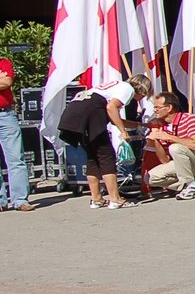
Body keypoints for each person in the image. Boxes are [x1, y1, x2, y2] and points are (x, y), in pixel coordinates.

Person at [59, 74, 151, 209]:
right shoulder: (128, 89)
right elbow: (111, 108)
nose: (142, 98)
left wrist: (139, 125)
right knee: (106, 155)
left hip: (75, 112)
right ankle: (115, 199)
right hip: (90, 113)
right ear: (142, 89)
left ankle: (96, 198)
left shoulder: (114, 86)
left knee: (93, 157)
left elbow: (113, 117)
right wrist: (123, 132)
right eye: (144, 95)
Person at [143, 91, 195, 200]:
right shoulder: (163, 127)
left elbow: (194, 144)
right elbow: (165, 161)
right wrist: (156, 140)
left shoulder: (189, 118)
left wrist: (169, 137)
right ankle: (186, 184)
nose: (155, 110)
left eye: (158, 107)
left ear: (169, 108)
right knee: (150, 178)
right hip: (182, 162)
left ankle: (191, 187)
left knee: (175, 148)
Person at [0, 36, 32, 211]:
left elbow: (7, 82)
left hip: (5, 114)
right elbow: (1, 83)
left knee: (16, 158)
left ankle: (20, 200)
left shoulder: (4, 63)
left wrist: (2, 83)